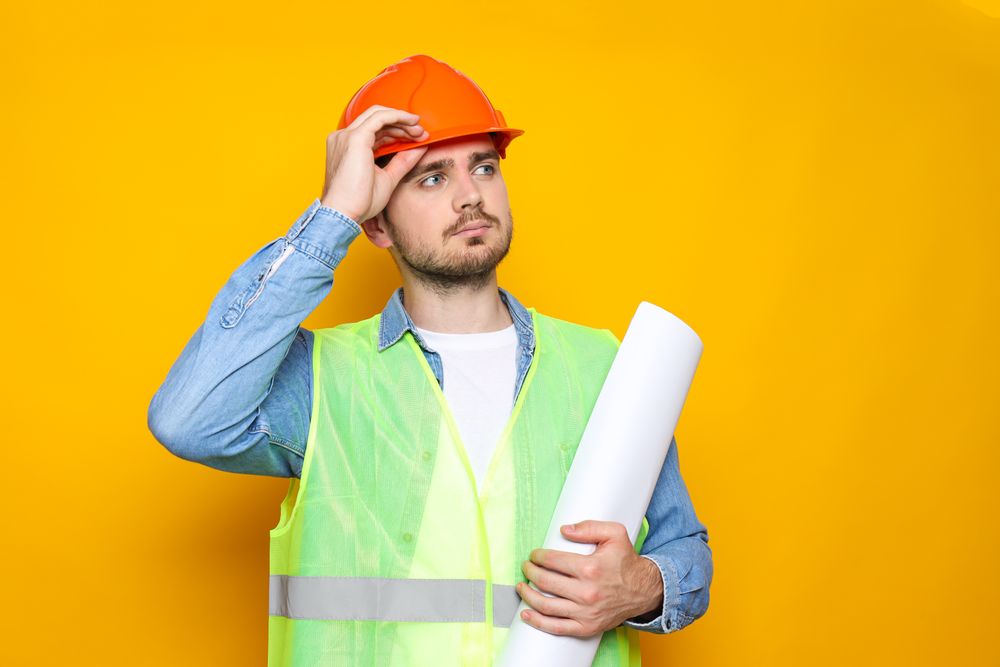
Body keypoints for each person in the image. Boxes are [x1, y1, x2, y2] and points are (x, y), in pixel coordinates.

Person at [148, 54, 712, 666]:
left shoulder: (602, 365)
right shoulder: (325, 382)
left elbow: (685, 547)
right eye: (432, 178)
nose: (471, 196)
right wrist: (333, 214)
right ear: (378, 225)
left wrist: (647, 585)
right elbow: (189, 418)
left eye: (485, 167)